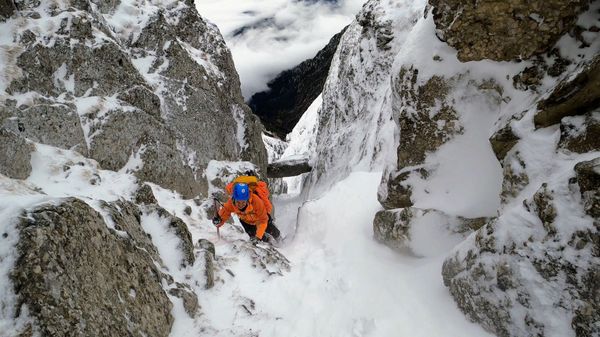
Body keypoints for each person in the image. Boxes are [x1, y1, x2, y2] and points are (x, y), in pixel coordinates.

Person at [213, 183, 280, 243]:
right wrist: (218, 221)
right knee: (256, 239)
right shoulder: (231, 203)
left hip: (261, 219)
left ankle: (280, 240)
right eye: (238, 202)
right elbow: (225, 213)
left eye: (243, 202)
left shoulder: (256, 201)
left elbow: (263, 221)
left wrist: (258, 236)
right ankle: (269, 243)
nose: (240, 205)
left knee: (273, 232)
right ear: (234, 199)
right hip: (247, 222)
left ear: (247, 199)